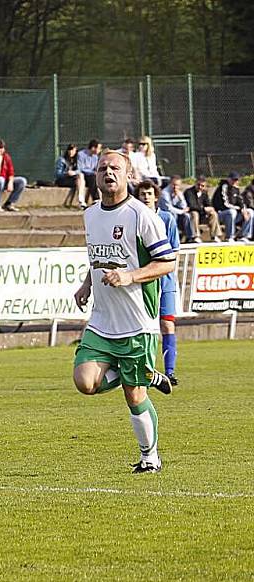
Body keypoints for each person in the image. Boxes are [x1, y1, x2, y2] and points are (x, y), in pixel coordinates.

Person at [73, 150, 176, 474]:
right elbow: (98, 257)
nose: (108, 172)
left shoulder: (141, 215)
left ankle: (150, 457)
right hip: (103, 321)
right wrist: (86, 285)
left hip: (136, 323)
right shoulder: (90, 214)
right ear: (96, 175)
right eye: (102, 168)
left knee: (135, 396)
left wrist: (130, 276)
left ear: (128, 173)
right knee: (84, 382)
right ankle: (143, 372)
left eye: (115, 167)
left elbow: (168, 261)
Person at [137, 181, 180, 386]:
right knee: (143, 327)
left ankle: (170, 373)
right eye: (142, 193)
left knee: (167, 324)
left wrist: (167, 274)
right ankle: (146, 372)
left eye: (149, 193)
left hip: (165, 282)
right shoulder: (134, 220)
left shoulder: (167, 219)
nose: (145, 197)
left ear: (156, 197)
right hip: (144, 281)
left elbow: (175, 252)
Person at [0, 139, 26, 212]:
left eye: (1, 148)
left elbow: (11, 171)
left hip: (4, 181)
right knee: (0, 180)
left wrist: (10, 182)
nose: (0, 151)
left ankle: (9, 203)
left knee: (22, 181)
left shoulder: (7, 157)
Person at [158, 175, 200, 243]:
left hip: (176, 212)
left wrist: (180, 198)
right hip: (164, 213)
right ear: (170, 184)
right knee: (172, 215)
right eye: (173, 184)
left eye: (177, 185)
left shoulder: (179, 193)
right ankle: (174, 237)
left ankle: (190, 237)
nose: (175, 187)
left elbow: (184, 206)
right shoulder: (164, 193)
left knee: (187, 216)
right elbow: (168, 208)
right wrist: (181, 211)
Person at [211, 172, 251, 242]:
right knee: (232, 212)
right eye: (233, 179)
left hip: (233, 215)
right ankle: (229, 237)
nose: (235, 182)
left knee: (250, 212)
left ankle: (244, 235)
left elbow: (241, 201)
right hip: (221, 214)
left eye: (236, 180)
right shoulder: (223, 187)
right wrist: (238, 209)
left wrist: (243, 210)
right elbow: (226, 204)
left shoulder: (236, 188)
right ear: (228, 179)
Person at [184, 176, 221, 243]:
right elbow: (192, 206)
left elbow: (209, 204)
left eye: (202, 186)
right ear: (195, 183)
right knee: (194, 213)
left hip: (202, 215)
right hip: (192, 215)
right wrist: (204, 209)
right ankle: (196, 236)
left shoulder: (204, 193)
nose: (200, 187)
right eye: (198, 185)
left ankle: (214, 235)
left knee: (213, 213)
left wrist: (210, 209)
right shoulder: (189, 192)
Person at [55, 144, 87, 209]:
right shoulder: (62, 160)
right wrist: (66, 173)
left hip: (73, 179)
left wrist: (74, 172)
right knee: (80, 179)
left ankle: (81, 201)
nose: (71, 152)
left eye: (73, 150)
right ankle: (81, 201)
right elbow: (57, 174)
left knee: (80, 176)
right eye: (70, 150)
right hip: (62, 180)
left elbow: (80, 170)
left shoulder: (76, 160)